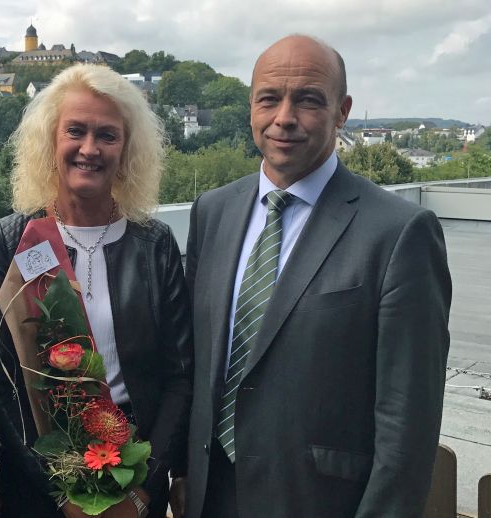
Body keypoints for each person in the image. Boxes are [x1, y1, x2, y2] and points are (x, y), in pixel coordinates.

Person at [183, 35, 451, 518]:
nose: (284, 117)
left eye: (308, 99)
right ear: (251, 107)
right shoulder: (213, 211)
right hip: (211, 496)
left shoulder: (398, 232)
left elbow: (407, 425)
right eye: (269, 98)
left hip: (321, 502)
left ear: (342, 111)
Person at [0, 63, 193, 518]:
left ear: (127, 149)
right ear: (50, 140)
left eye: (108, 135)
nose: (89, 149)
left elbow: (179, 376)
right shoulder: (15, 240)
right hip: (36, 488)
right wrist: (61, 491)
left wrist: (144, 490)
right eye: (75, 130)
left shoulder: (155, 246)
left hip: (134, 479)